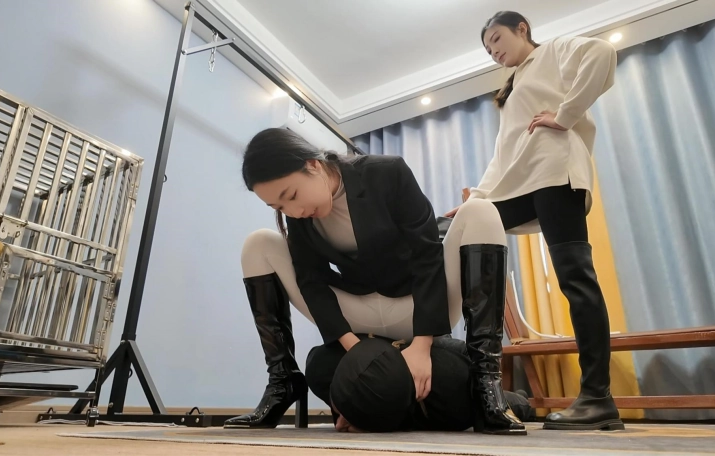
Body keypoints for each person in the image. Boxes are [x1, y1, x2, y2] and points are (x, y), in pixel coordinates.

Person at [225, 127, 525, 435]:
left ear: (312, 165)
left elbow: (427, 258)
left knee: (480, 210)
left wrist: (422, 346)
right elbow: (311, 283)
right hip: (359, 312)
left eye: (291, 196)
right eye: (279, 207)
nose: (294, 211)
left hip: (417, 305)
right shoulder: (299, 216)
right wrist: (354, 351)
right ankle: (283, 382)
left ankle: (487, 383)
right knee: (258, 244)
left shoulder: (387, 172)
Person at [445, 11, 622, 431]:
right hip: (521, 184)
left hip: (555, 175)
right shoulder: (513, 84)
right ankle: (478, 379)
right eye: (487, 48)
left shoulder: (554, 51)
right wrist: (477, 201)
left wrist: (565, 114)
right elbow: (504, 152)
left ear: (521, 28)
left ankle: (598, 398)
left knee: (576, 278)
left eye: (496, 39)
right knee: (452, 234)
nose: (493, 51)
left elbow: (602, 53)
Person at [305, 335, 535, 433]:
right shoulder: (322, 371)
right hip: (391, 349)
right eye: (339, 413)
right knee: (321, 364)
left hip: (450, 359)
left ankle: (520, 397)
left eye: (345, 418)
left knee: (505, 404)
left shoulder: (456, 396)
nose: (338, 426)